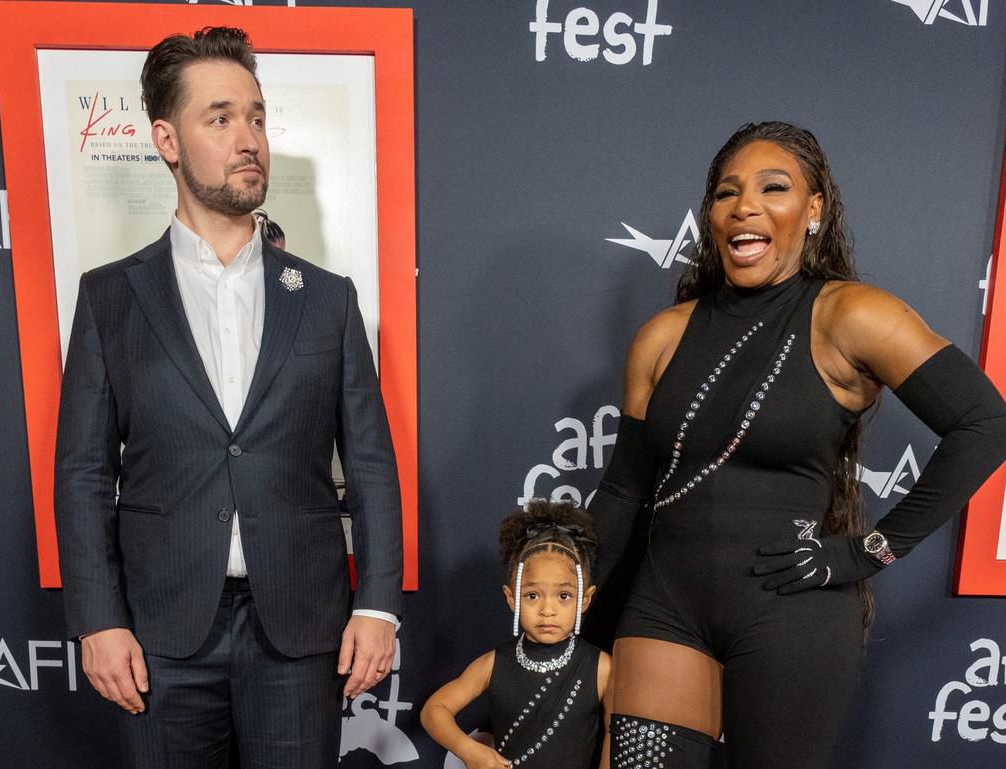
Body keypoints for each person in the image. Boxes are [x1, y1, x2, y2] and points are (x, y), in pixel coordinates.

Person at [587, 121, 1006, 769]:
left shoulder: (853, 315)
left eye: (772, 187)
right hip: (663, 607)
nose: (744, 205)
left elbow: (986, 422)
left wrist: (871, 549)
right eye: (726, 193)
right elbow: (622, 487)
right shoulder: (662, 336)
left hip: (792, 615)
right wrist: (560, 567)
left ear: (814, 210)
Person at [53, 27, 403, 769]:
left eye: (256, 117)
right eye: (220, 118)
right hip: (160, 634)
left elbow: (369, 462)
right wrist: (97, 620)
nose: (248, 139)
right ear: (166, 140)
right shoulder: (110, 297)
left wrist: (375, 605)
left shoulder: (328, 301)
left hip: (300, 631)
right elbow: (84, 472)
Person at [421, 500, 612, 769]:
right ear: (512, 598)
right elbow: (433, 710)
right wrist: (469, 750)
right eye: (532, 595)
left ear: (585, 599)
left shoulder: (602, 668)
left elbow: (616, 739)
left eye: (564, 596)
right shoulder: (492, 664)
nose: (548, 610)